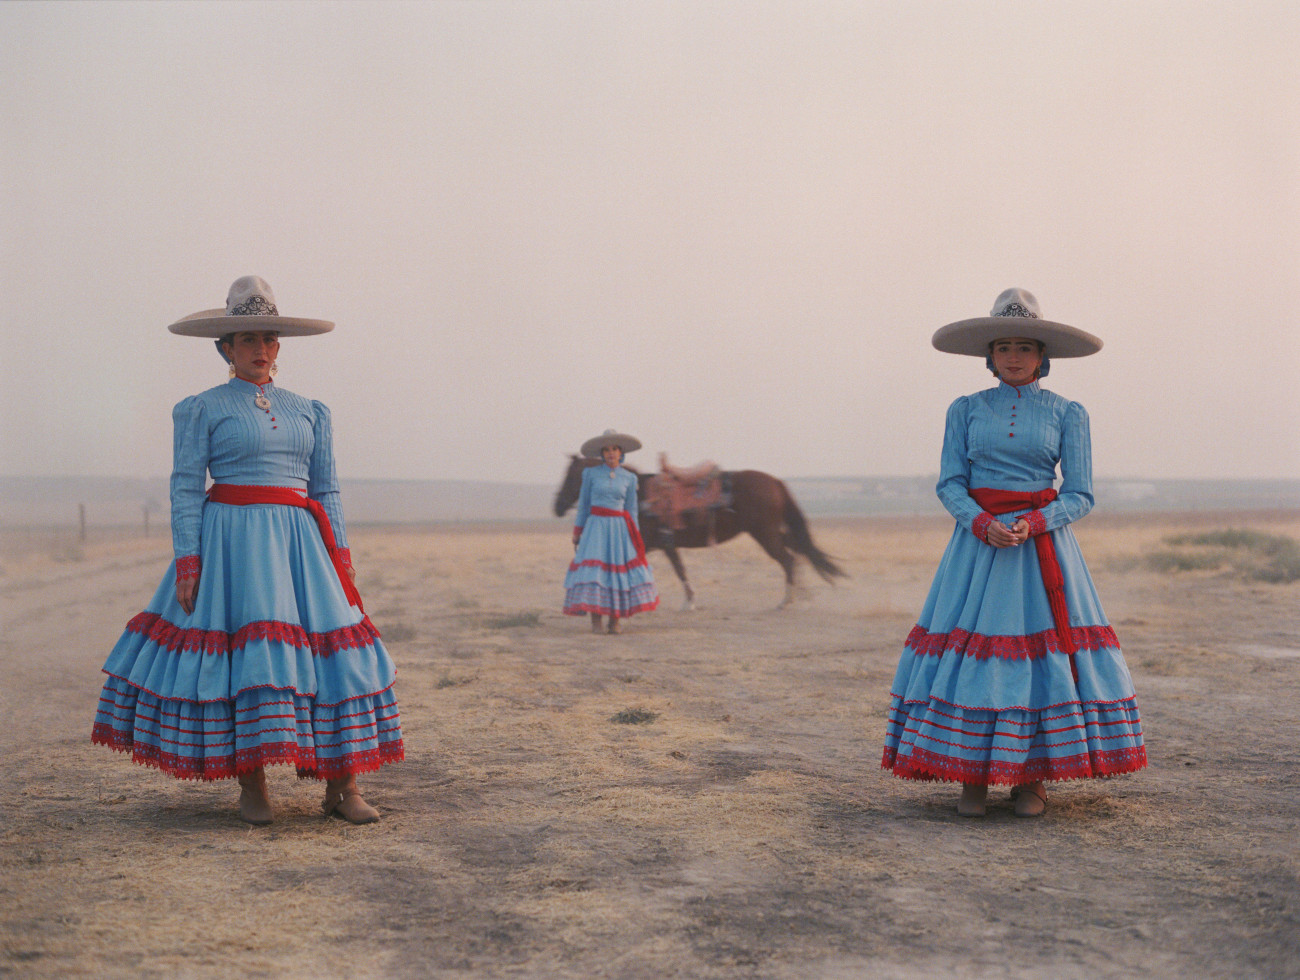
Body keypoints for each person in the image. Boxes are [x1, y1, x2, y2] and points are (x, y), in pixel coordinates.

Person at [91, 276, 404, 825]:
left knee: (334, 657)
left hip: (303, 545)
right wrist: (189, 560)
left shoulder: (310, 410)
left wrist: (342, 554)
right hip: (232, 545)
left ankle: (343, 787)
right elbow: (186, 486)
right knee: (247, 659)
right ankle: (253, 787)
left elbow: (325, 487)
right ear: (225, 349)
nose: (261, 349)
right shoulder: (202, 408)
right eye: (248, 340)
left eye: (269, 339)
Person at [880, 288, 1146, 817]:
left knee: (1039, 658)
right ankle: (971, 776)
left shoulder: (1068, 413)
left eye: (1025, 347)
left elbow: (1081, 492)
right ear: (990, 356)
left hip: (1041, 549)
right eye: (1004, 347)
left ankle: (1032, 779)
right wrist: (981, 523)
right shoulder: (965, 410)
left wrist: (1033, 522)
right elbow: (950, 482)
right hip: (976, 552)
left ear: (1042, 356)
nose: (1015, 357)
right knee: (972, 655)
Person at [563, 429, 660, 633]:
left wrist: (635, 535)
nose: (610, 453)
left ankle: (615, 620)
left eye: (614, 449)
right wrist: (577, 530)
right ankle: (596, 620)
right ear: (601, 453)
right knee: (596, 573)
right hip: (595, 527)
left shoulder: (630, 478)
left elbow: (631, 509)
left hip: (620, 529)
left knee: (617, 573)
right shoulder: (590, 474)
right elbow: (584, 505)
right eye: (606, 449)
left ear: (621, 452)